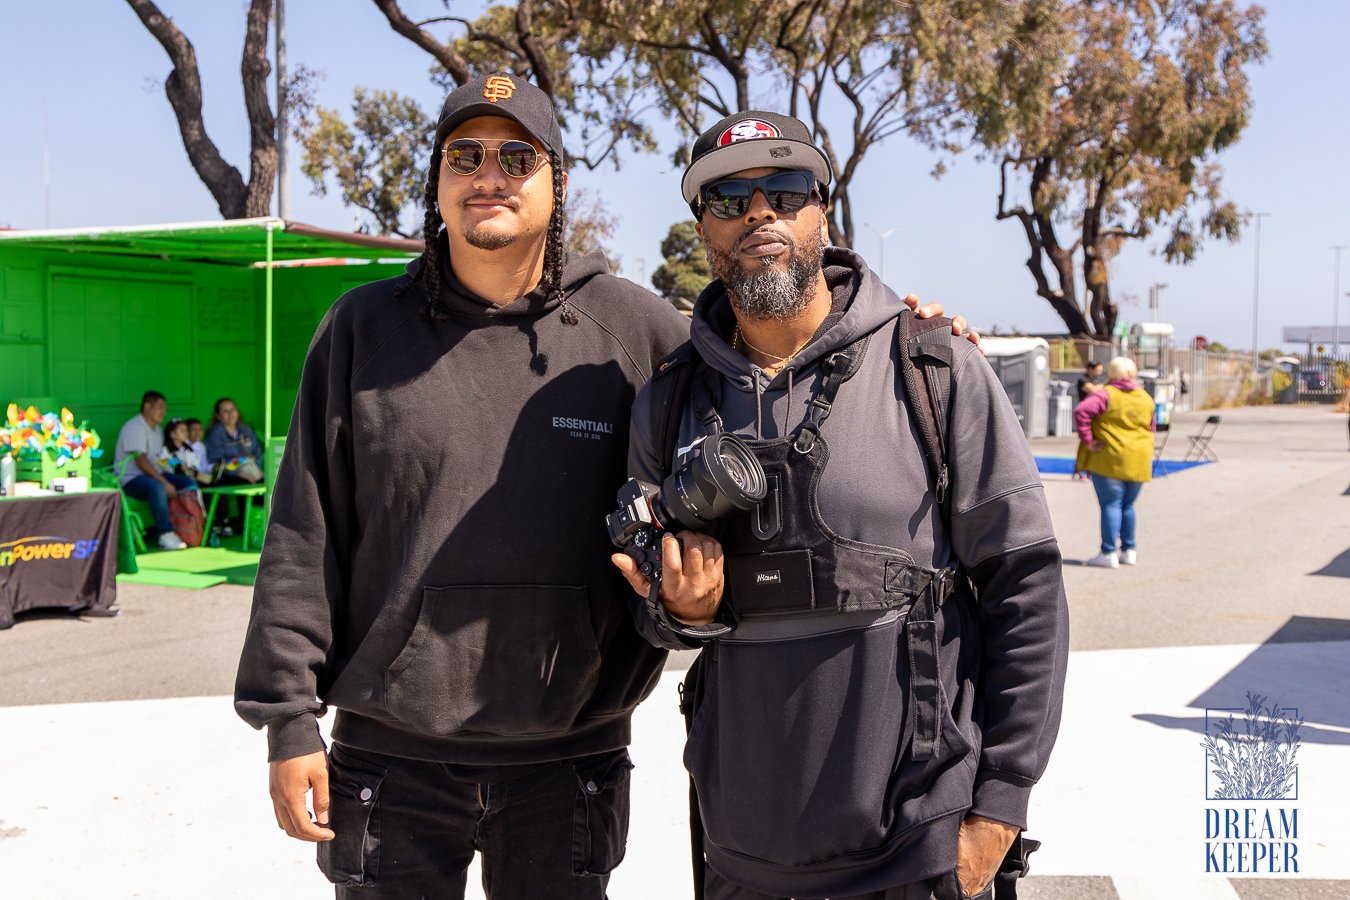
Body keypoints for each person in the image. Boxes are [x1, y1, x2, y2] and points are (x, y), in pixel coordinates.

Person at [234, 76, 973, 899]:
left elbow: (772, 355)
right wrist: (288, 721)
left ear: (556, 184)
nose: (490, 176)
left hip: (570, 760)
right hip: (388, 755)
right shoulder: (360, 330)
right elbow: (305, 534)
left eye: (518, 157)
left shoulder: (637, 329)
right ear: (438, 181)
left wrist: (901, 333)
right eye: (465, 156)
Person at [614, 111, 1070, 900]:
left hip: (922, 844)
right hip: (741, 847)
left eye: (784, 190)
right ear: (703, 230)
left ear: (823, 209)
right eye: (728, 199)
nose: (759, 212)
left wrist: (1001, 805)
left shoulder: (936, 367)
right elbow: (644, 612)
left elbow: (1026, 589)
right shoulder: (670, 397)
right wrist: (679, 609)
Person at [1074, 355, 1155, 568]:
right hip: (1139, 457)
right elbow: (1151, 426)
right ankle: (1129, 550)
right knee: (1128, 505)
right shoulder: (1145, 397)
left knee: (1111, 505)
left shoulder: (1106, 394)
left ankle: (1108, 552)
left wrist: (1089, 440)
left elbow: (1081, 411)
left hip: (1110, 456)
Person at [114, 391, 196, 551]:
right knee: (158, 488)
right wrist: (165, 482)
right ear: (147, 407)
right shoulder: (134, 427)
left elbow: (160, 459)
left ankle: (189, 527)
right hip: (130, 479)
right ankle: (164, 534)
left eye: (164, 408)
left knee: (188, 482)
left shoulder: (158, 430)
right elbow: (142, 462)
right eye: (160, 407)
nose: (163, 412)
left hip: (153, 474)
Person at [206, 397, 264, 484]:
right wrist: (242, 474)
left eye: (233, 409)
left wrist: (258, 469)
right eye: (225, 411)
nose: (230, 413)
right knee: (247, 482)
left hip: (250, 466)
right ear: (218, 416)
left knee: (267, 481)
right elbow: (218, 463)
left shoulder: (245, 429)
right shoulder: (216, 433)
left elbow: (256, 451)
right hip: (227, 471)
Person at [162, 417, 211, 484]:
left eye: (186, 431)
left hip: (190, 477)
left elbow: (196, 464)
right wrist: (178, 464)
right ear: (172, 434)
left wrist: (191, 470)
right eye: (182, 431)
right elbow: (162, 461)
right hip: (172, 478)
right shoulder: (166, 449)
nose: (185, 433)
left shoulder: (188, 449)